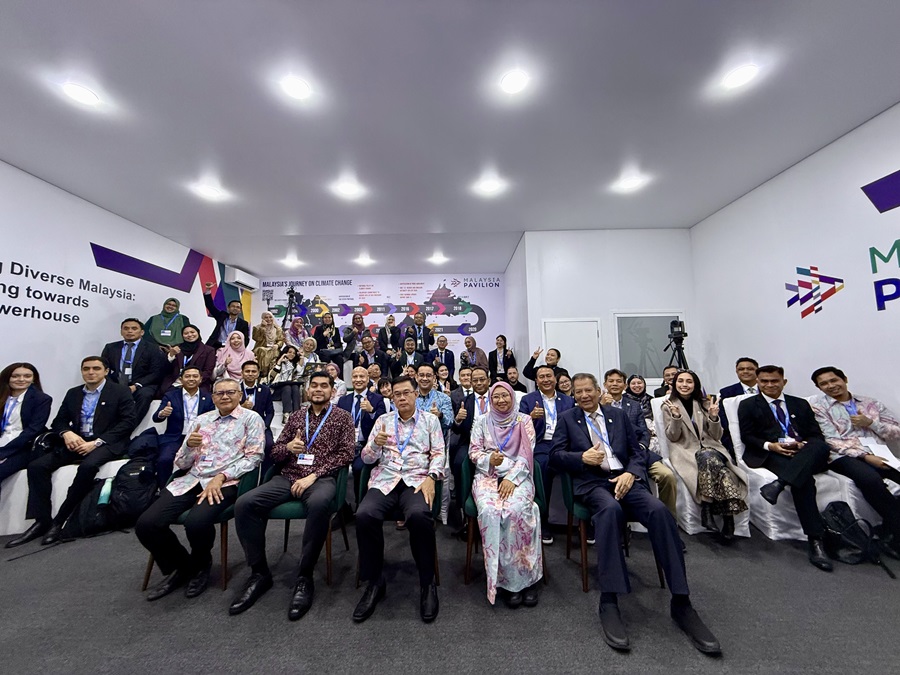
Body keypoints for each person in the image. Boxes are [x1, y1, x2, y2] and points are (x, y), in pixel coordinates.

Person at [550, 373, 720, 654]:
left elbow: (638, 451)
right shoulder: (568, 419)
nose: (583, 396)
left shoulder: (618, 415)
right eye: (578, 392)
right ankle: (609, 598)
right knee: (609, 511)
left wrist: (631, 473)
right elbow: (555, 455)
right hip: (593, 484)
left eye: (587, 390)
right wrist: (580, 458)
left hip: (626, 480)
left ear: (597, 390)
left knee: (659, 512)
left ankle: (681, 601)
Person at [230, 371, 356, 619]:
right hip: (287, 476)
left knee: (320, 504)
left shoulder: (343, 418)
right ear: (307, 391)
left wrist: (314, 474)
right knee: (245, 504)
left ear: (332, 391)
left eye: (324, 386)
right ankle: (259, 573)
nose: (318, 389)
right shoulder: (297, 416)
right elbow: (275, 451)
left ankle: (305, 576)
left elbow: (346, 454)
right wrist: (287, 448)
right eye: (314, 386)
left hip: (321, 479)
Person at [135, 377, 265, 600]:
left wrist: (222, 476)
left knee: (197, 522)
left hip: (226, 482)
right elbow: (182, 463)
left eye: (230, 392)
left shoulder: (251, 419)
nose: (225, 396)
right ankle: (183, 566)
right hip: (192, 479)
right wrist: (187, 446)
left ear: (240, 395)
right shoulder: (202, 420)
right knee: (146, 524)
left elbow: (254, 457)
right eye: (220, 393)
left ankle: (202, 566)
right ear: (213, 397)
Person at [7, 357, 136, 548]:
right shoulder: (74, 393)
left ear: (106, 371)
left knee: (87, 467)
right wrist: (66, 433)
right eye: (86, 369)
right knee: (37, 466)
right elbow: (59, 420)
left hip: (106, 443)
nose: (91, 372)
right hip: (75, 442)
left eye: (96, 368)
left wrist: (97, 442)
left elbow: (127, 422)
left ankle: (59, 521)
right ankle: (42, 520)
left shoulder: (119, 391)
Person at [353, 376, 445, 623]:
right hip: (386, 479)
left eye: (406, 393)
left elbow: (438, 453)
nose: (401, 398)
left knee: (419, 516)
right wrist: (374, 444)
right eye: (397, 394)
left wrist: (432, 477)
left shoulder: (430, 421)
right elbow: (367, 458)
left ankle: (427, 584)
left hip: (416, 480)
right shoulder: (383, 421)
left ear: (416, 394)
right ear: (391, 397)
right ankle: (374, 581)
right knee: (364, 515)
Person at [737, 365, 833, 571]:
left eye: (774, 381)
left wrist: (802, 445)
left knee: (820, 446)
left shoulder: (800, 404)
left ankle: (779, 484)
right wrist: (771, 446)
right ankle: (816, 540)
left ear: (783, 382)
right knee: (804, 480)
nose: (769, 385)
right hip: (771, 453)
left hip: (804, 451)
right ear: (758, 382)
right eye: (764, 381)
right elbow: (748, 436)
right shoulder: (748, 405)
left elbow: (815, 434)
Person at [810, 366, 900, 557]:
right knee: (871, 480)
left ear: (844, 379)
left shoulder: (871, 403)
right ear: (819, 388)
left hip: (880, 452)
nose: (831, 386)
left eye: (834, 380)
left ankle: (888, 532)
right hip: (843, 456)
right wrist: (866, 456)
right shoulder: (819, 408)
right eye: (824, 384)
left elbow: (896, 432)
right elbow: (830, 440)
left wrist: (871, 423)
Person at [470, 381, 542, 607]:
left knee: (515, 512)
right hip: (487, 476)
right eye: (496, 397)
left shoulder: (525, 420)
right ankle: (502, 581)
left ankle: (525, 581)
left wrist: (511, 478)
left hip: (518, 476)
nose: (501, 400)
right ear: (490, 400)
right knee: (490, 512)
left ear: (512, 397)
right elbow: (473, 451)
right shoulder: (481, 421)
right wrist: (488, 460)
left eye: (505, 396)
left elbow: (526, 453)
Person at [661, 370, 748, 541]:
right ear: (674, 384)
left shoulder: (705, 403)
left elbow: (716, 436)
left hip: (712, 448)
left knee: (708, 455)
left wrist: (715, 418)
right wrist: (676, 417)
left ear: (695, 385)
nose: (684, 385)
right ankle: (728, 518)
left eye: (689, 382)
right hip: (686, 451)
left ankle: (707, 507)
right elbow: (673, 436)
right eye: (680, 381)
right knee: (722, 472)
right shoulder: (668, 405)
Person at [602, 369, 677, 519]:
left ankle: (669, 519)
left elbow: (644, 432)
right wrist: (605, 408)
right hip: (612, 456)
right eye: (611, 381)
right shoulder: (597, 406)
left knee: (667, 476)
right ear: (605, 384)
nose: (615, 384)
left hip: (637, 452)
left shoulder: (634, 405)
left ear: (624, 386)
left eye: (619, 381)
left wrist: (641, 447)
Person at [519, 365, 574, 545]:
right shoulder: (528, 400)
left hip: (564, 443)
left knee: (581, 465)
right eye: (541, 377)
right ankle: (543, 522)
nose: (546, 379)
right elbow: (519, 428)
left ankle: (583, 522)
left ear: (555, 378)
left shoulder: (567, 401)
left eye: (549, 376)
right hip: (541, 443)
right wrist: (531, 418)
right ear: (536, 381)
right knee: (541, 467)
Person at [152, 365, 215, 487]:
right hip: (175, 437)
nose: (191, 379)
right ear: (181, 379)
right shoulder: (171, 395)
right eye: (187, 376)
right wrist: (162, 413)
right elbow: (156, 417)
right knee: (164, 460)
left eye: (195, 376)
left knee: (207, 461)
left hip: (199, 438)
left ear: (200, 379)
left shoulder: (208, 397)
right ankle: (163, 489)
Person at [0, 363, 52, 496]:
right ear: (7, 378)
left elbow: (33, 430)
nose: (21, 379)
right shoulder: (2, 397)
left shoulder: (42, 399)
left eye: (27, 376)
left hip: (24, 446)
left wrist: (4, 452)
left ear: (34, 379)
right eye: (15, 376)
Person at [100, 318, 166, 423]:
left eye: (134, 328)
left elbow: (156, 372)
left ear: (142, 332)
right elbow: (103, 369)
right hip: (117, 384)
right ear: (121, 331)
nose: (130, 331)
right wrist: (114, 386)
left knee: (145, 395)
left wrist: (136, 386)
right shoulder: (111, 348)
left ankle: (129, 425)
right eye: (126, 328)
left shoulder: (153, 348)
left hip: (141, 385)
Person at [338, 367, 386, 499]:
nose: (358, 380)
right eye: (355, 377)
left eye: (362, 377)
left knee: (359, 468)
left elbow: (384, 423)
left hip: (366, 446)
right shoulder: (343, 400)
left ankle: (359, 504)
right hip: (345, 446)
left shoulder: (377, 399)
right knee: (335, 468)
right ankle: (341, 508)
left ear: (368, 379)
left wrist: (371, 412)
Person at [159, 324, 216, 393]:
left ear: (198, 333)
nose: (189, 335)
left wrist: (191, 381)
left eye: (192, 332)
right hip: (177, 382)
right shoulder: (176, 348)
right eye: (186, 333)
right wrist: (171, 355)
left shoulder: (208, 350)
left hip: (198, 383)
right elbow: (166, 369)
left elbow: (208, 371)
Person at [719, 357, 760, 454]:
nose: (745, 372)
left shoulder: (767, 389)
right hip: (736, 435)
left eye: (750, 369)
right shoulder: (727, 392)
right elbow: (724, 419)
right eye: (741, 369)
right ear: (736, 372)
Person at [239, 361, 275, 467]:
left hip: (261, 425)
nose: (250, 374)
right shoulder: (235, 389)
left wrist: (264, 426)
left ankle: (266, 474)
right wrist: (241, 408)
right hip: (239, 426)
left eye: (253, 371)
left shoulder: (265, 390)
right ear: (242, 373)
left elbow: (270, 412)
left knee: (269, 445)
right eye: (247, 371)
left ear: (258, 373)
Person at [203, 281, 250, 350]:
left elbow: (245, 339)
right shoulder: (221, 316)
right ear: (228, 308)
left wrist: (240, 350)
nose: (235, 308)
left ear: (240, 310)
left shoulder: (243, 323)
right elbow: (210, 306)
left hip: (232, 348)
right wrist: (208, 290)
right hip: (216, 346)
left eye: (237, 307)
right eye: (233, 306)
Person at [415, 363, 453, 435]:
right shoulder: (410, 397)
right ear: (416, 377)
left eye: (428, 376)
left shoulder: (444, 398)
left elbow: (450, 423)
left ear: (434, 378)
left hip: (436, 442)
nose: (425, 378)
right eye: (421, 375)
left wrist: (440, 416)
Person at [269, 345, 302, 424]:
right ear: (285, 352)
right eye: (289, 352)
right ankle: (286, 415)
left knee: (295, 386)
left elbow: (299, 372)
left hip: (289, 389)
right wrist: (280, 362)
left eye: (294, 353)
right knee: (287, 387)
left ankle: (297, 413)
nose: (292, 354)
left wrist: (301, 358)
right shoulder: (276, 361)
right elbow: (271, 376)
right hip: (276, 390)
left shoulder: (293, 365)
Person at [251, 310, 284, 379]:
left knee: (274, 352)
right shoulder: (257, 328)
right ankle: (263, 374)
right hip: (261, 347)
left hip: (273, 348)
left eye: (270, 317)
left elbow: (281, 340)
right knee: (263, 351)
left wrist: (277, 345)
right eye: (266, 317)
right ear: (263, 319)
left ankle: (271, 375)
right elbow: (257, 338)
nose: (268, 319)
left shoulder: (278, 329)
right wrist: (262, 328)